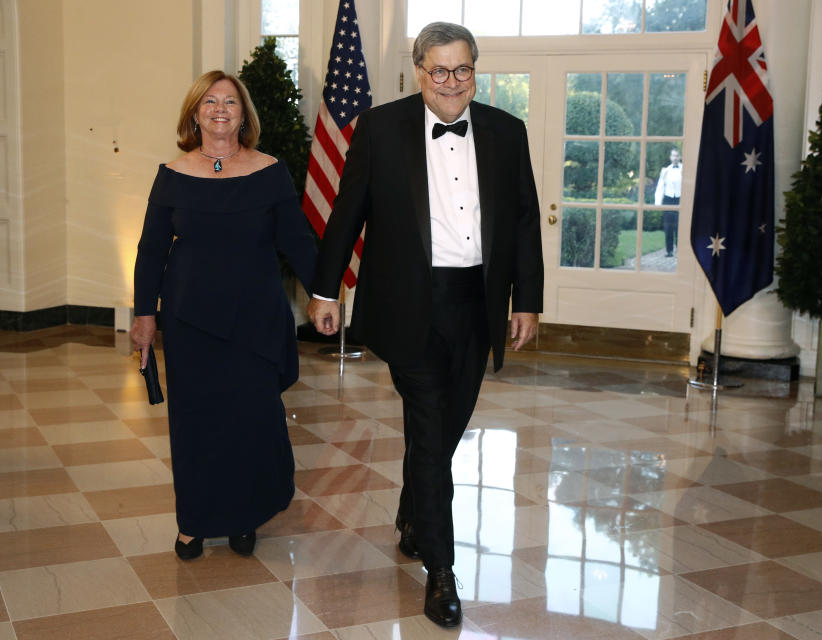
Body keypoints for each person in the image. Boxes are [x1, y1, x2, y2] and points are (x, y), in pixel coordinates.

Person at [307, 22, 543, 628]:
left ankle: (413, 514)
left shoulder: (506, 131)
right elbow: (347, 212)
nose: (451, 82)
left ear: (475, 69)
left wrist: (526, 301)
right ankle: (441, 570)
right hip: (409, 305)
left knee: (441, 430)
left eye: (462, 69)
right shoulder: (381, 127)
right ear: (418, 71)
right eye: (438, 70)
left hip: (477, 304)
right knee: (433, 429)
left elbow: (521, 221)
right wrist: (324, 288)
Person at [130, 70, 317, 561]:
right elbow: (151, 252)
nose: (219, 109)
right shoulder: (171, 174)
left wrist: (323, 293)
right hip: (190, 322)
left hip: (255, 320)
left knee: (250, 422)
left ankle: (244, 516)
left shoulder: (270, 171)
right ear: (194, 113)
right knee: (194, 423)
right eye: (209, 101)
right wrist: (144, 315)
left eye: (229, 102)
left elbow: (297, 240)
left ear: (243, 114)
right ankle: (193, 521)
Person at [654, 147, 682, 257]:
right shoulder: (665, 171)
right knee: (668, 227)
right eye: (673, 155)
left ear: (680, 157)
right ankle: (669, 250)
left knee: (680, 226)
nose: (675, 158)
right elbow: (660, 187)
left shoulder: (684, 169)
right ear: (670, 157)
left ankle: (681, 251)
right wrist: (657, 203)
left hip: (680, 199)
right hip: (668, 200)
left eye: (677, 156)